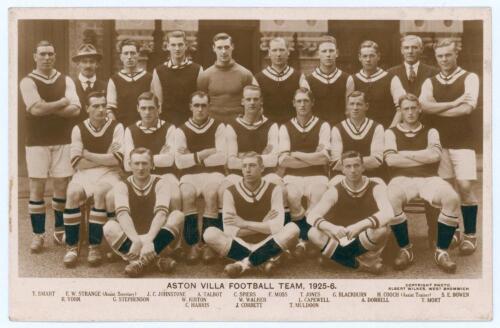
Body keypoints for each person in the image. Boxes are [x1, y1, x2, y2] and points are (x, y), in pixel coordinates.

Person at [385, 94, 461, 273]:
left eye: (413, 108)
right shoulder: (391, 132)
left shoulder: (431, 131)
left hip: (429, 178)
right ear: (401, 111)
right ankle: (405, 249)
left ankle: (441, 251)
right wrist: (422, 156)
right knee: (391, 197)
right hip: (401, 179)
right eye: (406, 109)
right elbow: (390, 160)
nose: (410, 112)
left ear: (419, 109)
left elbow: (435, 156)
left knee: (452, 197)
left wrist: (403, 154)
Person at [419, 38, 480, 255]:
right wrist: (453, 103)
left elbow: (466, 109)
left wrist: (437, 109)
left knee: (464, 187)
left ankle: (470, 234)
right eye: (440, 56)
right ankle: (453, 229)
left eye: (448, 55)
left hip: (463, 140)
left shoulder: (469, 77)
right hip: (439, 142)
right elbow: (423, 106)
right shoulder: (430, 81)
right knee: (445, 190)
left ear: (456, 55)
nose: (444, 59)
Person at [19, 40, 81, 253]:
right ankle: (37, 235)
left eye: (50, 54)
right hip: (37, 141)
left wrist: (47, 107)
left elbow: (76, 109)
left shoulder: (65, 79)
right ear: (35, 56)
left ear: (55, 56)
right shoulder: (27, 81)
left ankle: (60, 228)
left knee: (61, 186)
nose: (47, 58)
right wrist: (61, 102)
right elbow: (35, 110)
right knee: (37, 187)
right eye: (43, 54)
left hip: (63, 139)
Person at [204, 152, 300, 277]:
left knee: (293, 229)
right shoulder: (230, 192)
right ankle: (267, 258)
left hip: (267, 240)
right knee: (209, 233)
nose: (247, 170)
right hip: (241, 242)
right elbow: (230, 231)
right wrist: (263, 225)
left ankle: (244, 264)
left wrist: (244, 224)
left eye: (252, 165)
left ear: (262, 168)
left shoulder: (274, 189)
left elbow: (277, 227)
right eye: (244, 166)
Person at [307, 151, 394, 274]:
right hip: (343, 236)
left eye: (356, 165)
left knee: (381, 230)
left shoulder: (376, 187)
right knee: (313, 232)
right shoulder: (335, 190)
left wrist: (359, 226)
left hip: (365, 238)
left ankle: (337, 258)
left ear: (363, 167)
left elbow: (388, 213)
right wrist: (333, 228)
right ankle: (362, 266)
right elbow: (312, 216)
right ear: (342, 170)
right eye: (348, 166)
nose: (352, 170)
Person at [62, 91, 123, 267]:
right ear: (87, 108)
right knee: (72, 192)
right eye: (96, 106)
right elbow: (76, 163)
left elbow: (117, 159)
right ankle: (72, 246)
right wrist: (105, 157)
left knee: (100, 192)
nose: (101, 109)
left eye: (104, 105)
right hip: (85, 174)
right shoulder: (78, 128)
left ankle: (94, 246)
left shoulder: (117, 127)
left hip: (110, 174)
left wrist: (88, 154)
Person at [103, 147, 183, 277]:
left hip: (157, 239)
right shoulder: (122, 185)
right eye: (136, 163)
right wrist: (135, 240)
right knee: (109, 227)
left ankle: (137, 262)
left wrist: (149, 242)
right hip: (132, 239)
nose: (140, 168)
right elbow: (123, 215)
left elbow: (161, 214)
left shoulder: (161, 182)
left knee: (177, 216)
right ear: (129, 165)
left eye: (145, 163)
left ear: (152, 164)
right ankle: (156, 261)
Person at [175, 91, 226, 263]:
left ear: (209, 106)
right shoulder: (181, 130)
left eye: (204, 105)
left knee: (212, 194)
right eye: (196, 105)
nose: (200, 109)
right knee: (187, 195)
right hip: (189, 175)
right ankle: (191, 244)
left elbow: (222, 157)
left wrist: (194, 157)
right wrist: (205, 153)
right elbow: (180, 163)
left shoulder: (219, 126)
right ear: (190, 107)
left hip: (214, 173)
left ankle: (207, 244)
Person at [279, 87, 330, 257]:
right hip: (292, 176)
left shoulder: (323, 125)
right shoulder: (285, 127)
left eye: (306, 101)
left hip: (318, 175)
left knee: (318, 193)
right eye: (299, 101)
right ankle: (303, 238)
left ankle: (309, 239)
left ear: (312, 103)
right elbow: (284, 160)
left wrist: (297, 154)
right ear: (293, 103)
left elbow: (324, 159)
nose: (302, 104)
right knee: (291, 195)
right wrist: (312, 157)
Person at [122, 91, 180, 210]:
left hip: (165, 174)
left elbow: (169, 160)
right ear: (138, 108)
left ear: (158, 109)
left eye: (151, 108)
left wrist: (138, 160)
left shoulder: (170, 128)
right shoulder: (130, 130)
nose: (147, 112)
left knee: (175, 197)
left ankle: (173, 227)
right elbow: (128, 165)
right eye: (143, 108)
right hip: (137, 176)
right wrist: (157, 158)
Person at [197, 32, 256, 123]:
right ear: (213, 48)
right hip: (213, 125)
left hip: (238, 125)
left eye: (226, 47)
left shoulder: (245, 74)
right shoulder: (205, 75)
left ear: (232, 47)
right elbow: (200, 104)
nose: (223, 51)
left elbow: (254, 102)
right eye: (219, 48)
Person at [346, 40, 406, 128]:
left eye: (372, 56)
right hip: (360, 131)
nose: (368, 60)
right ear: (360, 57)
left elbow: (401, 108)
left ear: (378, 56)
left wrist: (390, 130)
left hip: (386, 128)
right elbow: (348, 111)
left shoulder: (391, 78)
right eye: (365, 56)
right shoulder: (353, 79)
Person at [151, 30, 203, 126]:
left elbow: (200, 100)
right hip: (167, 122)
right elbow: (159, 103)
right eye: (173, 45)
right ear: (167, 46)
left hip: (191, 123)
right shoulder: (159, 71)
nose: (177, 48)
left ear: (186, 46)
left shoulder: (197, 69)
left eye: (180, 44)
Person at [330, 91, 385, 180]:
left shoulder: (377, 127)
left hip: (371, 177)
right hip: (343, 177)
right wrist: (360, 165)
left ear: (366, 106)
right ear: (347, 106)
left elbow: (377, 161)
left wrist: (348, 164)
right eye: (352, 104)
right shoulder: (337, 128)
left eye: (359, 104)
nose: (355, 108)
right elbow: (335, 163)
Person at [254, 37, 309, 124]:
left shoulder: (299, 77)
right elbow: (254, 107)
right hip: (266, 126)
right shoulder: (258, 78)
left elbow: (306, 105)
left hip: (293, 126)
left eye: (282, 50)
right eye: (274, 50)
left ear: (288, 52)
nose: (278, 54)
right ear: (269, 52)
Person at [107, 39, 153, 127]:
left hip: (145, 127)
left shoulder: (149, 78)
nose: (129, 57)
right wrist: (117, 128)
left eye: (132, 53)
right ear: (121, 57)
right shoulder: (114, 79)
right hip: (122, 127)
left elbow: (155, 106)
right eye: (126, 53)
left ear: (138, 55)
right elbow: (110, 109)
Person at [306, 35, 350, 125]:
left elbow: (349, 111)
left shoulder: (347, 79)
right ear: (318, 54)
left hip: (340, 128)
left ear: (337, 53)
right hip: (317, 129)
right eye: (324, 51)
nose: (328, 54)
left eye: (331, 51)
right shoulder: (308, 80)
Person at [71, 43, 106, 122]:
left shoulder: (105, 86)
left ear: (97, 64)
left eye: (92, 61)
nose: (88, 66)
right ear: (77, 64)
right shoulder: (70, 85)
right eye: (84, 62)